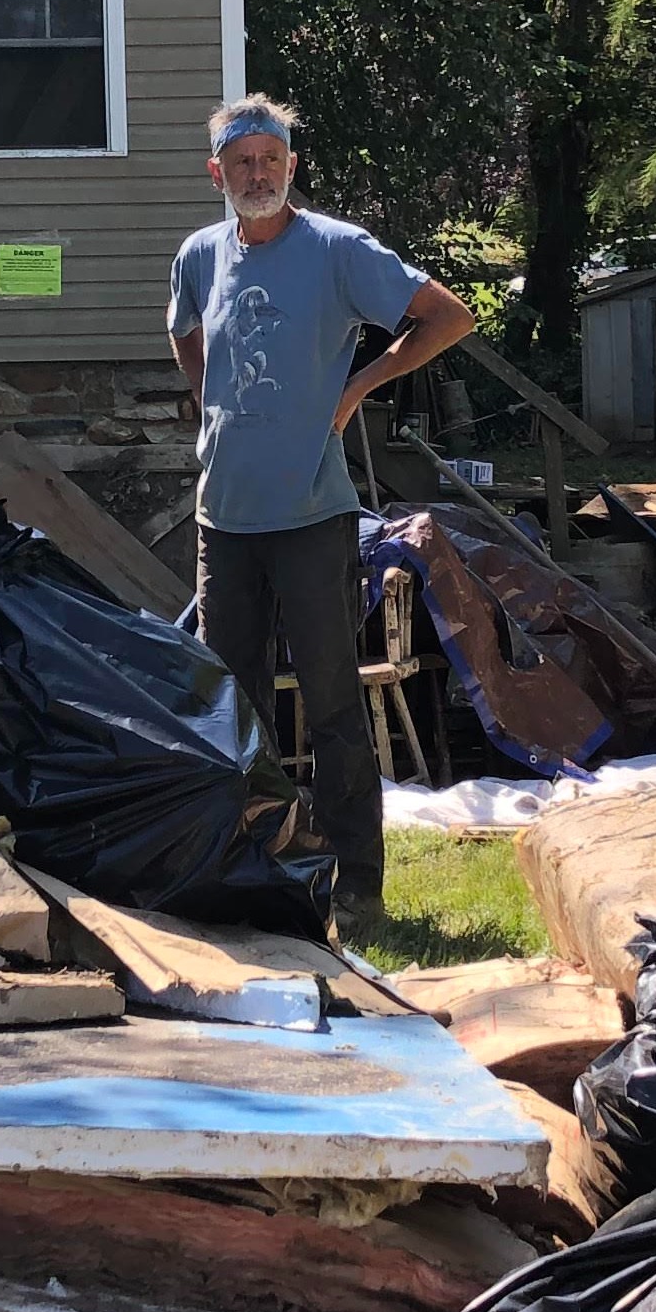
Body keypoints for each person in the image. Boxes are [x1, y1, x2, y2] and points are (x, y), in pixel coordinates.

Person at [166, 95, 472, 920]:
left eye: (271, 159)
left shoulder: (338, 250)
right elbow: (183, 327)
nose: (257, 173)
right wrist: (206, 399)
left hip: (311, 517)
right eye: (242, 162)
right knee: (234, 710)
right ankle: (253, 872)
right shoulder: (199, 255)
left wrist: (359, 387)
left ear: (292, 165)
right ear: (217, 173)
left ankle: (357, 884)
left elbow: (448, 317)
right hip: (224, 522)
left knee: (333, 704)